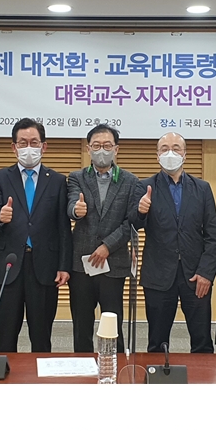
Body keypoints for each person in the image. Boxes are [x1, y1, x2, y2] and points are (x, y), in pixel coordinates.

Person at [0, 118, 71, 352]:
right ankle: (4, 372)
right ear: (14, 147)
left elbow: (63, 227)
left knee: (41, 335)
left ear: (44, 146)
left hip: (44, 267)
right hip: (8, 265)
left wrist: (64, 266)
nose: (28, 148)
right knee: (5, 334)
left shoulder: (57, 181)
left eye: (34, 142)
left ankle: (41, 375)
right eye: (23, 143)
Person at [136, 132, 216, 354]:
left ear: (185, 154)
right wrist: (140, 211)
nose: (170, 153)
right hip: (158, 275)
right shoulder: (144, 187)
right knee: (157, 342)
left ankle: (202, 376)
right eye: (164, 149)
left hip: (196, 276)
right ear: (157, 155)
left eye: (176, 148)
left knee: (202, 341)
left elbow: (212, 235)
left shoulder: (202, 188)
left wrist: (206, 273)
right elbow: (133, 225)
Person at [66, 125, 143, 353]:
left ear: (116, 149)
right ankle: (83, 367)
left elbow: (131, 222)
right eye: (97, 145)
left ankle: (114, 367)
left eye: (107, 145)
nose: (102, 150)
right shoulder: (76, 178)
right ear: (88, 148)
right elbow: (71, 204)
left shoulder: (131, 181)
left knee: (113, 324)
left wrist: (107, 246)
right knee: (81, 325)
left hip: (114, 263)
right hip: (82, 265)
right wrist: (75, 210)